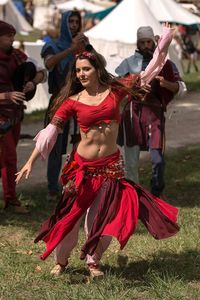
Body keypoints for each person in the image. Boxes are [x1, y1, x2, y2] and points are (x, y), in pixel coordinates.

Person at [16, 25, 180, 278]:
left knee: (100, 217)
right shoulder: (73, 101)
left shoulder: (116, 91)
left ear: (97, 70)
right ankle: (62, 260)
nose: (81, 74)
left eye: (86, 69)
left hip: (110, 167)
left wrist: (165, 41)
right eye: (78, 70)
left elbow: (150, 71)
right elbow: (50, 132)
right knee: (70, 218)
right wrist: (29, 161)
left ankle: (93, 261)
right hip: (81, 168)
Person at [115, 26, 187, 196]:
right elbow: (115, 86)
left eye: (149, 42)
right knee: (131, 163)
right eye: (143, 42)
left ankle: (156, 193)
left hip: (154, 116)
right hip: (132, 114)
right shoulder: (128, 63)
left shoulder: (165, 64)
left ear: (154, 42)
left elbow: (182, 88)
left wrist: (166, 84)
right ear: (138, 43)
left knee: (158, 160)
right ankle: (132, 196)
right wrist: (132, 84)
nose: (147, 45)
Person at [41, 10, 89, 201]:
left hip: (81, 101)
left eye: (77, 22)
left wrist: (86, 49)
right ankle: (53, 188)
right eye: (70, 21)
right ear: (64, 23)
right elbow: (49, 64)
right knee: (55, 147)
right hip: (59, 102)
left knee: (81, 144)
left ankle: (76, 183)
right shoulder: (52, 45)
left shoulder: (85, 46)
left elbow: (97, 68)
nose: (74, 25)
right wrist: (71, 49)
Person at [0, 20, 46, 213]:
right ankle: (11, 200)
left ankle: (10, 199)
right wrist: (6, 96)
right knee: (9, 157)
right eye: (8, 36)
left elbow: (42, 72)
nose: (13, 39)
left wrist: (32, 83)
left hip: (16, 115)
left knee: (7, 158)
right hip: (1, 118)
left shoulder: (18, 55)